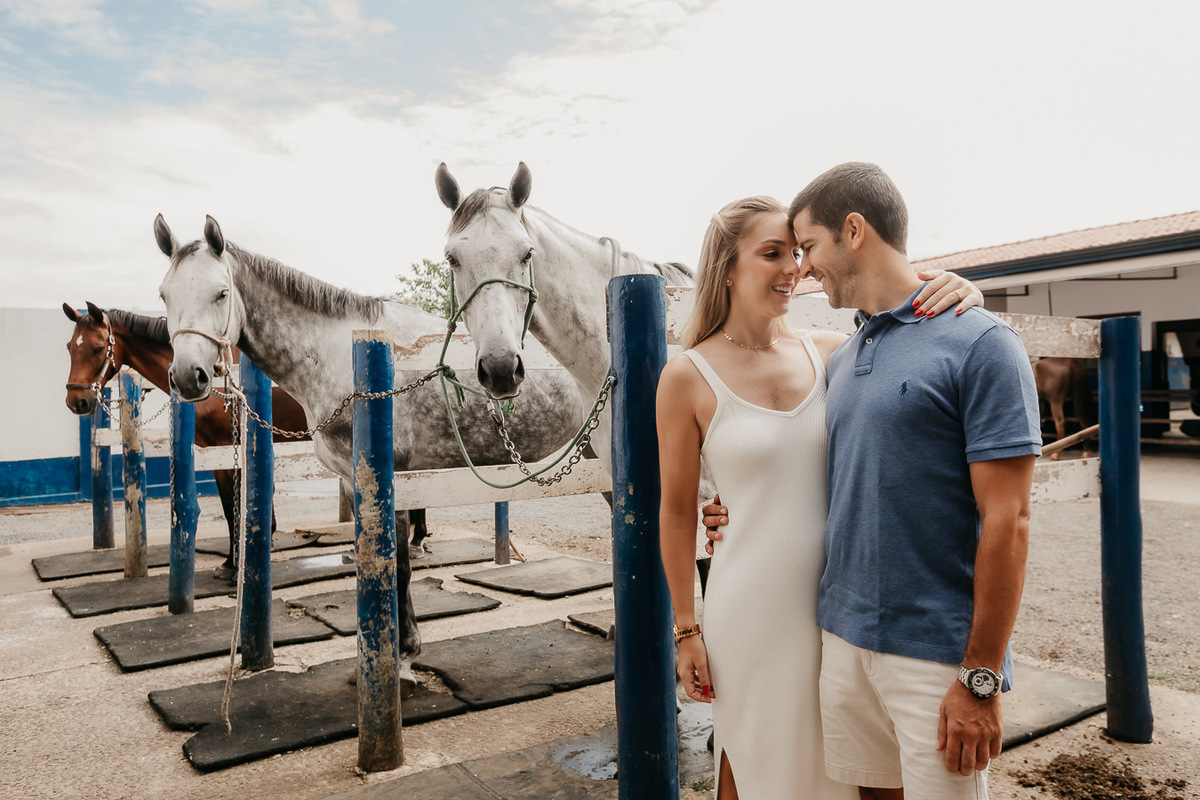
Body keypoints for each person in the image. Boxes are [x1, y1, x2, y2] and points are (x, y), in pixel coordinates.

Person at [701, 163, 1042, 799]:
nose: (802, 267)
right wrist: (730, 506)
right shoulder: (845, 355)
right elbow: (799, 459)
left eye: (808, 247)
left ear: (854, 231)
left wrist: (981, 676)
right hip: (840, 643)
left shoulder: (983, 344)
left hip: (934, 655)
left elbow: (1010, 519)